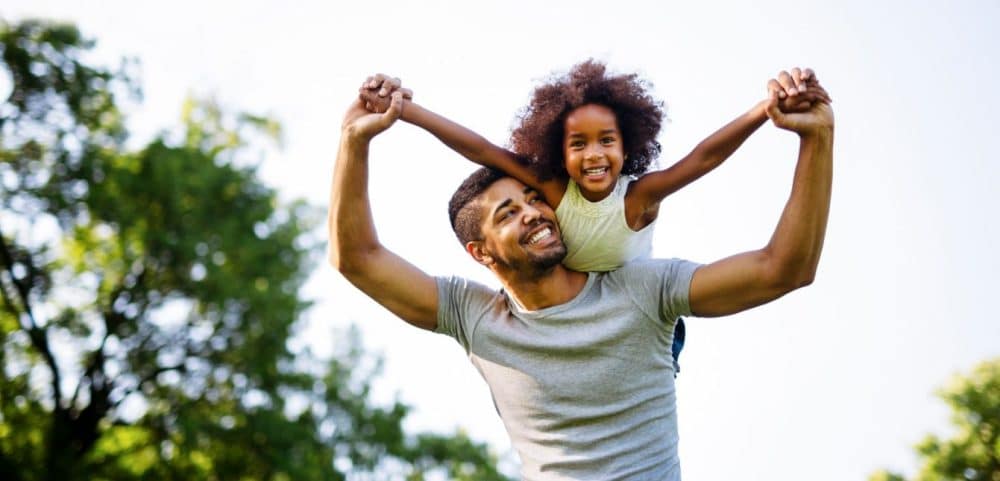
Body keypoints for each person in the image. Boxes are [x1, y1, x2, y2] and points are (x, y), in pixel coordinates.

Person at [329, 69, 834, 480]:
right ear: (480, 253)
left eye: (532, 200)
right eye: (507, 214)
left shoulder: (643, 291)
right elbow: (358, 258)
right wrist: (354, 141)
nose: (532, 212)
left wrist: (817, 139)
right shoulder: (475, 317)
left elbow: (783, 269)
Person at [358, 61, 828, 375]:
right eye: (578, 145)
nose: (594, 155)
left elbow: (702, 158)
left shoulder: (638, 198)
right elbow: (481, 149)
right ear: (558, 153)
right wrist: (408, 112)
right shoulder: (552, 191)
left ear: (628, 147)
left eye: (607, 141)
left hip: (638, 320)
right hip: (569, 314)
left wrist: (762, 113)